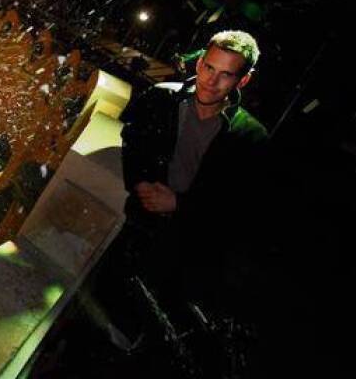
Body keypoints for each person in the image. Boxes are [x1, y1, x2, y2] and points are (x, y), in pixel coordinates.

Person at [87, 30, 268, 349]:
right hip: (132, 230)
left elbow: (239, 209)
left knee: (137, 337)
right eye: (209, 68)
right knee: (93, 313)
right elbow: (134, 144)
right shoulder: (161, 97)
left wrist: (180, 204)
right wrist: (140, 181)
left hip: (184, 250)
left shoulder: (250, 137)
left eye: (226, 74)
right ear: (199, 62)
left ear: (243, 81)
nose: (211, 81)